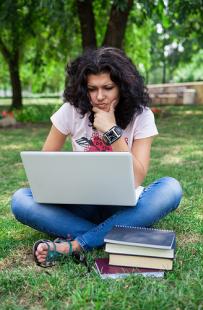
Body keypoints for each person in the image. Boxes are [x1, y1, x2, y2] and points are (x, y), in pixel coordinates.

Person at [11, 47, 182, 267]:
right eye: (92, 89)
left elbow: (136, 178)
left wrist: (112, 131)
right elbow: (44, 167)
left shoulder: (142, 116)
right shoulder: (71, 111)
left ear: (123, 86)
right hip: (81, 204)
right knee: (20, 200)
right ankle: (118, 233)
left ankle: (76, 244)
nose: (99, 96)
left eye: (108, 88)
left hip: (124, 205)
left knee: (171, 188)